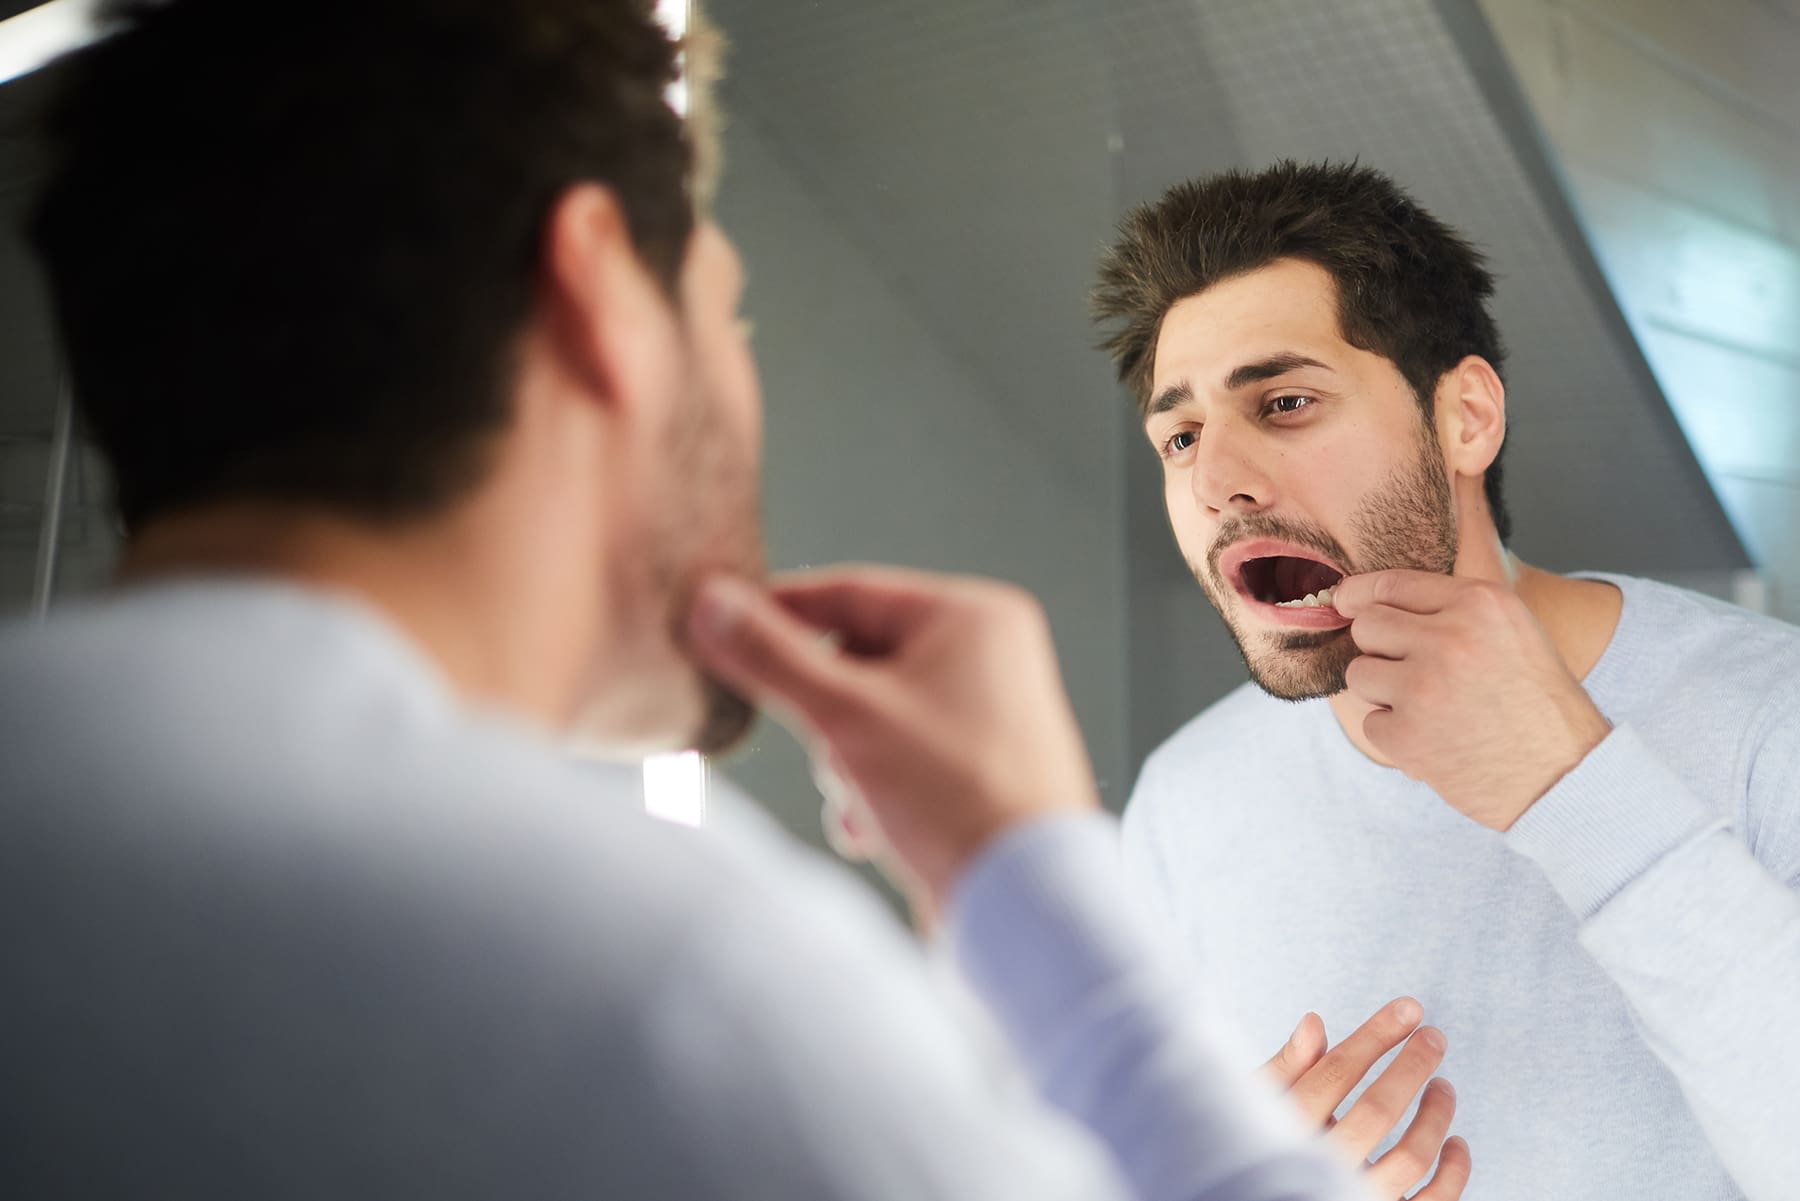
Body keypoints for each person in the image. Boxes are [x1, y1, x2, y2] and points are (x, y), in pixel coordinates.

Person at [0, 4, 1473, 1199]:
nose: (1219, 476)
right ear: (603, 299)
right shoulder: (646, 988)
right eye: (728, 309)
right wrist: (1032, 885)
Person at [1093, 159, 1800, 1201]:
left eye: (1284, 403)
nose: (1214, 482)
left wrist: (1571, 781)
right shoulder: (1188, 798)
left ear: (1465, 417)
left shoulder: (1771, 721)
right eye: (1181, 436)